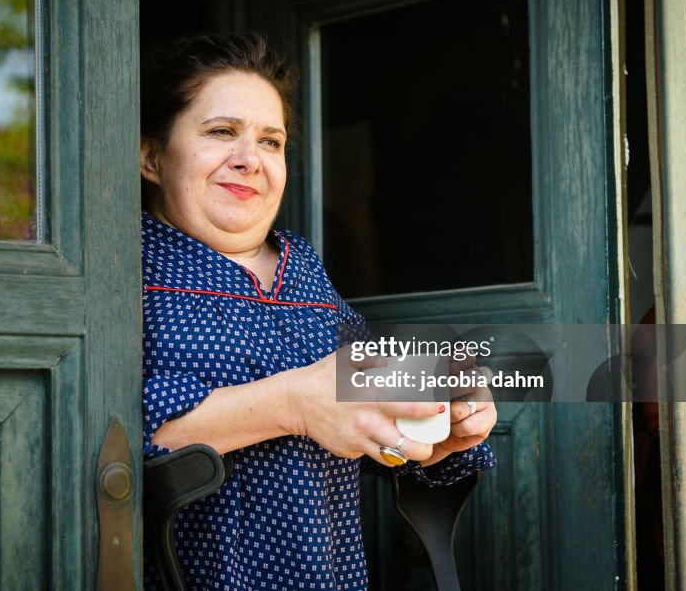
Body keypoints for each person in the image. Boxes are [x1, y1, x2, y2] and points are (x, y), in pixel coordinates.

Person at [140, 32, 497, 590]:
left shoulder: (303, 268)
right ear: (152, 156)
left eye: (271, 142)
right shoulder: (126, 271)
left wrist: (438, 438)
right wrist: (293, 403)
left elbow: (364, 404)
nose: (248, 160)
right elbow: (100, 434)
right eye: (220, 132)